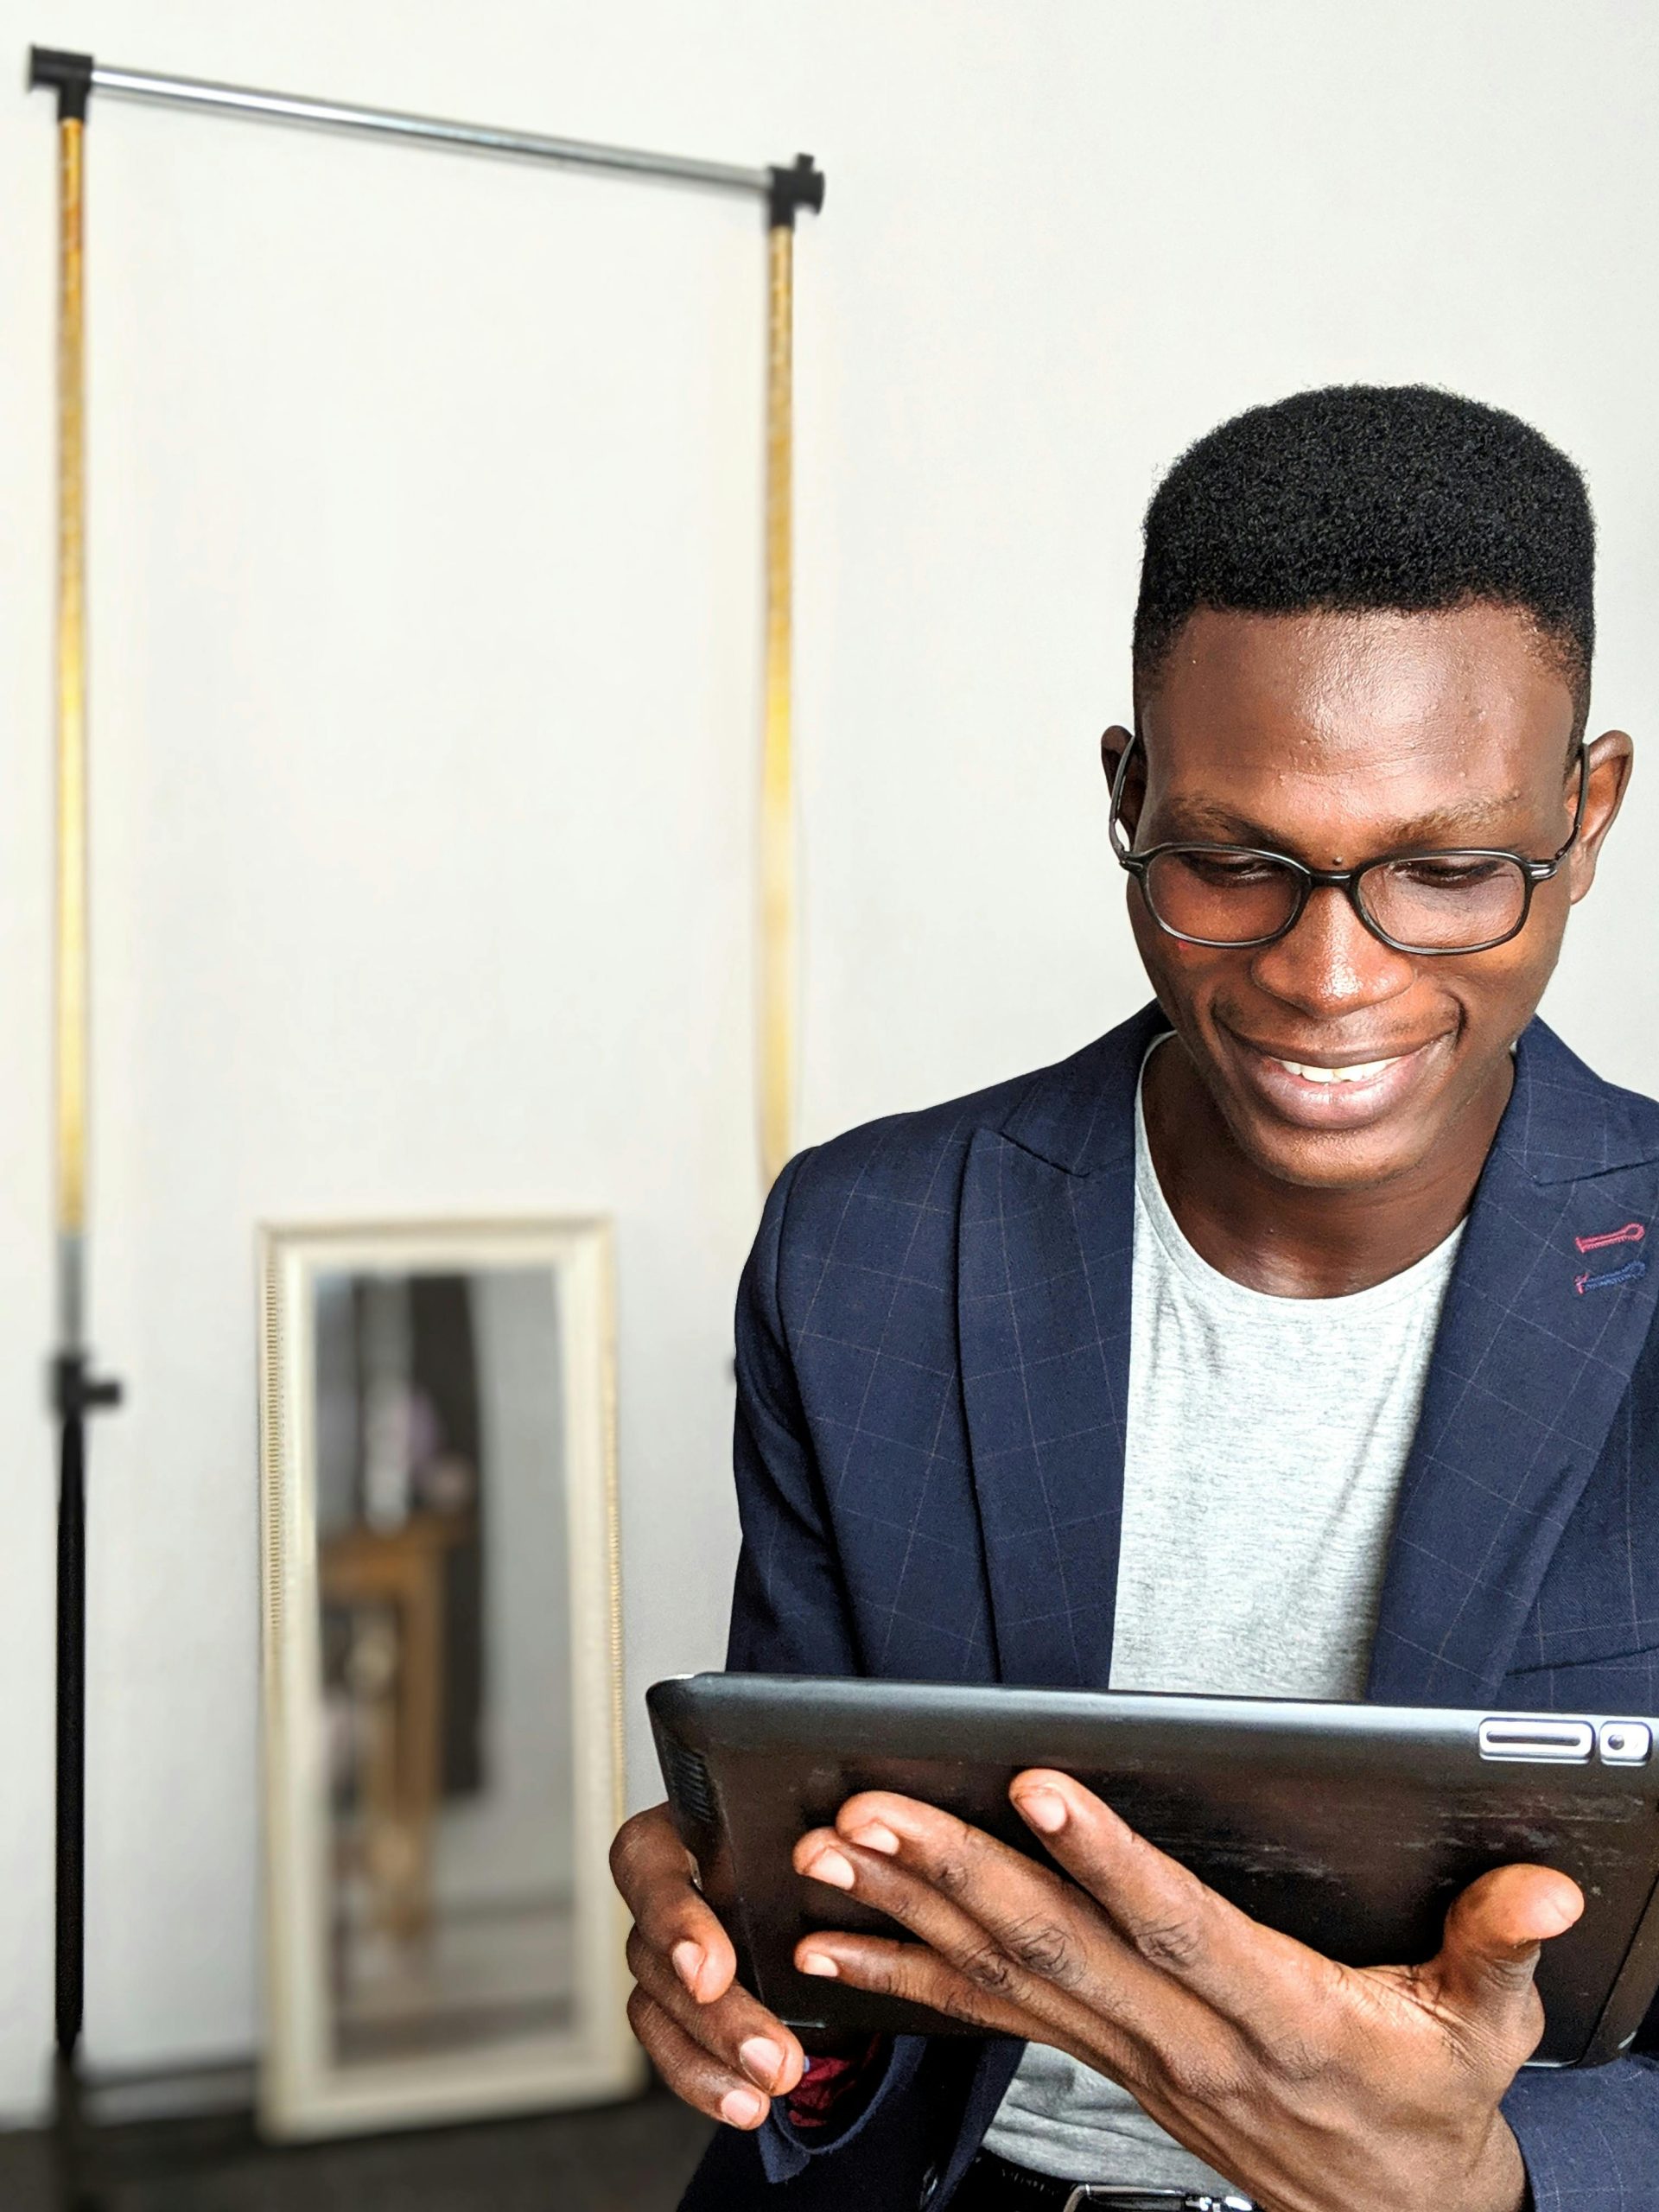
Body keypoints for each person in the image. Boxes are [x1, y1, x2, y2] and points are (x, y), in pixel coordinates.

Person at [612, 385, 1658, 2212]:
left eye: (1448, 869)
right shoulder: (862, 1247)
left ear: (1589, 812)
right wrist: (754, 1984)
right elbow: (827, 1910)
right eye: (1233, 863)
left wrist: (1491, 2176)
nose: (1333, 973)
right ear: (1127, 801)